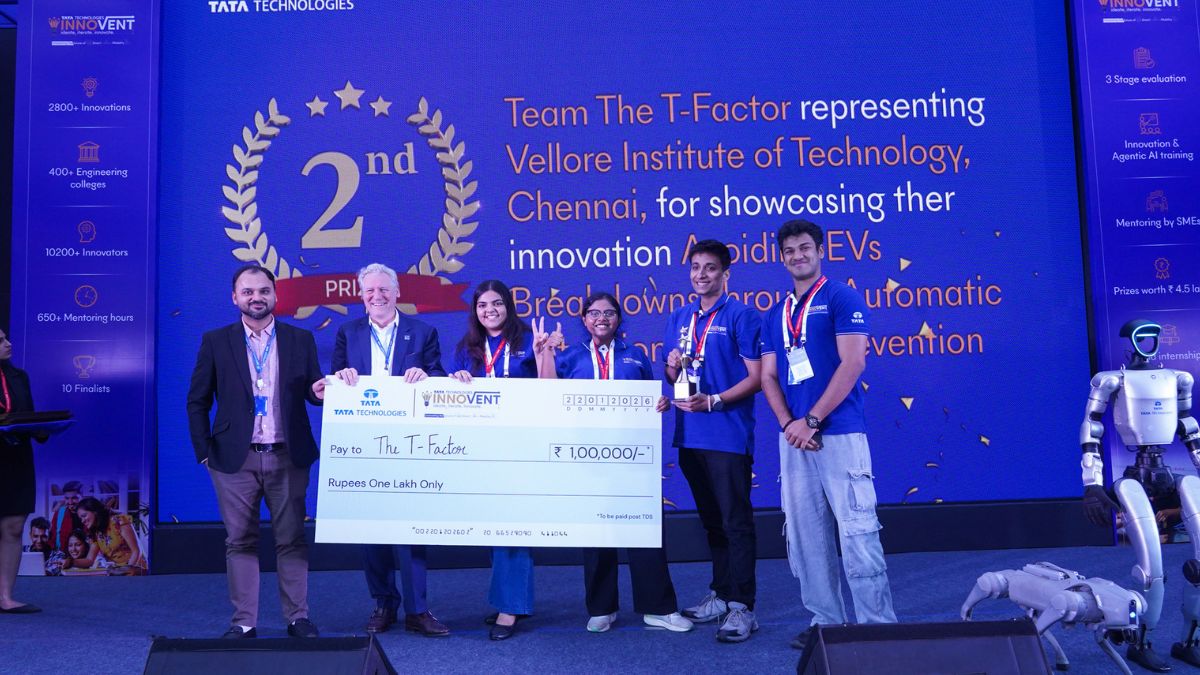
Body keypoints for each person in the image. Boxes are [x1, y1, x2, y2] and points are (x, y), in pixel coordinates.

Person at [759, 219, 897, 650]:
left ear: (820, 251)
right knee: (806, 538)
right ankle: (827, 624)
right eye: (789, 251)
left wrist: (813, 420)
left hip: (838, 433)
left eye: (805, 248)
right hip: (795, 440)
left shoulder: (841, 296)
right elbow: (768, 376)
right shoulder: (776, 313)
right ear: (782, 258)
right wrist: (789, 424)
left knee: (858, 533)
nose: (797, 256)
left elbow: (853, 363)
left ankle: (877, 628)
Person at [187, 264, 327, 639]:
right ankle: (244, 622)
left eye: (264, 291)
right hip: (234, 459)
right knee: (240, 541)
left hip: (288, 455)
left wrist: (319, 392)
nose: (256, 298)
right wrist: (204, 452)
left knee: (292, 539)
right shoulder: (216, 341)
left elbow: (312, 393)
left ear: (275, 295)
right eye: (248, 292)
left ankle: (297, 618)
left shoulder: (300, 339)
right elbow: (197, 401)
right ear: (235, 297)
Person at [541, 292, 693, 634]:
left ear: (618, 319)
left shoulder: (635, 355)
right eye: (594, 313)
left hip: (632, 457)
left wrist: (660, 404)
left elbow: (650, 398)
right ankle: (601, 608)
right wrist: (547, 353)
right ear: (584, 319)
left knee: (645, 531)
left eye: (609, 313)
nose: (602, 318)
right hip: (587, 457)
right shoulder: (569, 357)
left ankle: (658, 608)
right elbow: (549, 398)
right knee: (596, 533)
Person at [331, 263, 449, 637]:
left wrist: (427, 377)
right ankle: (384, 603)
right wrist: (341, 377)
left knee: (411, 528)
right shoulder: (347, 332)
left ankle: (418, 609)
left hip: (409, 444)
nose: (377, 296)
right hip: (364, 446)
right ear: (361, 295)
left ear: (397, 292)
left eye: (384, 289)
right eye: (370, 291)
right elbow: (333, 382)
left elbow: (439, 377)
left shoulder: (423, 331)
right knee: (371, 530)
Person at [663, 239, 763, 643]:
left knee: (735, 522)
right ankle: (721, 595)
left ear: (725, 274)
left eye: (709, 268)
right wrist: (672, 368)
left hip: (727, 435)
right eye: (695, 267)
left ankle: (742, 607)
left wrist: (714, 400)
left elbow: (757, 377)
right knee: (712, 523)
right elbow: (675, 377)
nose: (701, 275)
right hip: (690, 435)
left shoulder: (742, 315)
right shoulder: (680, 316)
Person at [448, 280, 551, 640]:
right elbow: (455, 396)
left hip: (523, 446)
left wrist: (543, 354)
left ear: (508, 306)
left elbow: (549, 389)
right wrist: (457, 379)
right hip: (483, 447)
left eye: (496, 303)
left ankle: (510, 608)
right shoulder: (467, 348)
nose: (489, 310)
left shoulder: (528, 340)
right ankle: (509, 600)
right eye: (482, 305)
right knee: (494, 526)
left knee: (514, 526)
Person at [0, 328, 43, 613]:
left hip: (15, 458)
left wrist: (44, 428)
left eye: (5, 338)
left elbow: (27, 416)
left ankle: (5, 597)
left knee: (14, 525)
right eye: (0, 341)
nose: (8, 344)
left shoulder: (19, 376)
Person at [66, 497, 145, 570]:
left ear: (95, 511)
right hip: (117, 571)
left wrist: (126, 571)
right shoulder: (95, 533)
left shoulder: (118, 521)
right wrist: (70, 562)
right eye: (80, 519)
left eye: (84, 516)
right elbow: (89, 560)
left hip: (135, 568)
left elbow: (136, 551)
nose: (82, 521)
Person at [47, 481, 83, 554]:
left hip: (84, 555)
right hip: (62, 554)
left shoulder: (88, 514)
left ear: (81, 496)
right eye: (67, 498)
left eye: (74, 498)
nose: (70, 502)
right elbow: (52, 537)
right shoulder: (59, 513)